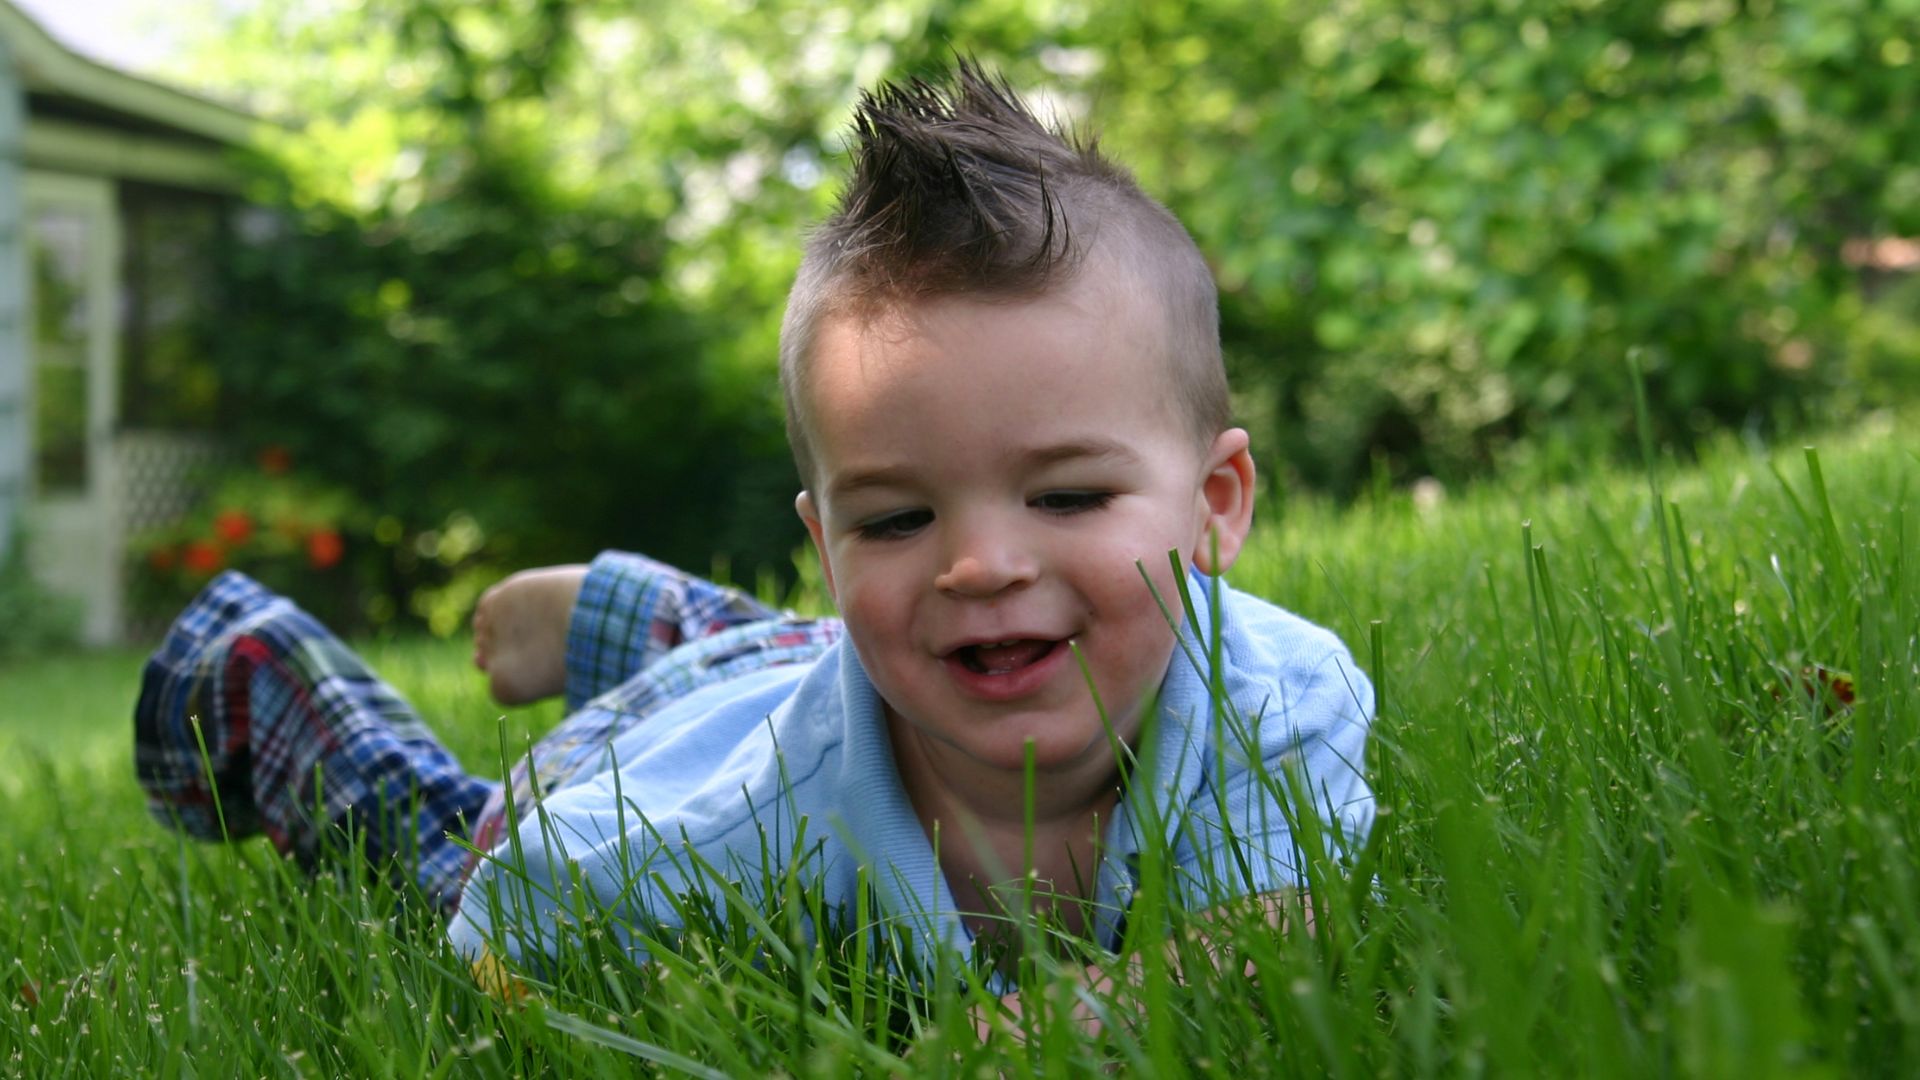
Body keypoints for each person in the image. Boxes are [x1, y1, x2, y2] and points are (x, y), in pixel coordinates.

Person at [134, 62, 1375, 994]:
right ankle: (260, 659)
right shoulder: (717, 837)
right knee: (427, 859)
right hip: (701, 737)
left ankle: (627, 613)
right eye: (895, 515)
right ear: (827, 549)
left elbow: (1269, 933)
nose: (982, 563)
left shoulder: (1278, 697)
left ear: (1215, 507)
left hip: (821, 664)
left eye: (1065, 497)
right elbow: (495, 929)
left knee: (846, 642)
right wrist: (540, 835)